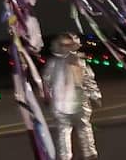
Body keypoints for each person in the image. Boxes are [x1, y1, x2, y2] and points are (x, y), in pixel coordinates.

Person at [43, 32, 101, 160]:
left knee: (84, 128)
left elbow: (88, 79)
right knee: (63, 131)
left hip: (79, 102)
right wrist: (47, 96)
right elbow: (46, 82)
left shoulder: (79, 62)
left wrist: (95, 95)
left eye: (68, 45)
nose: (65, 47)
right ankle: (66, 156)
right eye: (62, 45)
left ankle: (90, 154)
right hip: (60, 104)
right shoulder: (53, 63)